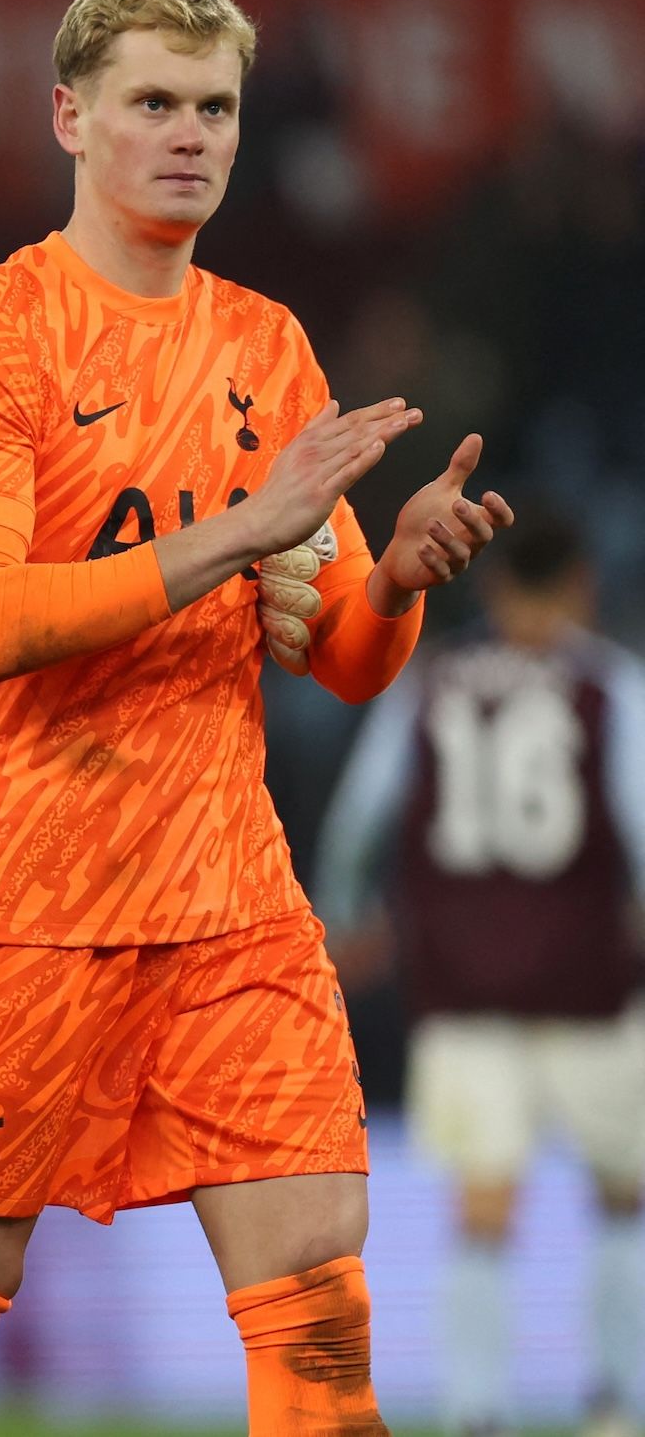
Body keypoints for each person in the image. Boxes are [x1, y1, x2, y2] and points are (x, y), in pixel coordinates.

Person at [0, 0, 519, 1434]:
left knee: (322, 1315)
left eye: (215, 109)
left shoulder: (266, 347)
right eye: (153, 104)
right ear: (71, 117)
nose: (189, 135)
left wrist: (398, 582)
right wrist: (234, 537)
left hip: (230, 902)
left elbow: (345, 659)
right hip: (23, 897)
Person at [316, 516, 645, 1437]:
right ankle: (615, 1405)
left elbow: (357, 824)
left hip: (463, 985)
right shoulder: (610, 685)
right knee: (623, 1194)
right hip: (593, 984)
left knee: (482, 1210)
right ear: (581, 584)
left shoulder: (427, 684)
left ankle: (476, 1413)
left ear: (493, 591)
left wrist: (349, 917)